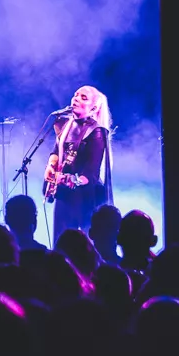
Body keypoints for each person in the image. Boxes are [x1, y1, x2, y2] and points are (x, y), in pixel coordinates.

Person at [44, 85, 113, 246]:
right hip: (64, 196)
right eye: (75, 95)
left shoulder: (97, 132)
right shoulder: (66, 125)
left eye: (83, 98)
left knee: (84, 245)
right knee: (61, 243)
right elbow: (56, 151)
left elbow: (91, 174)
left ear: (93, 108)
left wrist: (67, 179)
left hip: (85, 198)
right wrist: (51, 165)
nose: (76, 99)